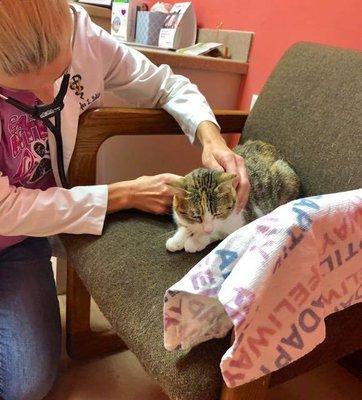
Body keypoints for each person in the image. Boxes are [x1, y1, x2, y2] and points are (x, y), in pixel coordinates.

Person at [0, 1, 249, 399]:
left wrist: (211, 137)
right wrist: (123, 194)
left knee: (22, 383)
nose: (47, 95)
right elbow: (4, 210)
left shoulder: (86, 37)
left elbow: (168, 85)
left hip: (18, 247)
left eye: (60, 73)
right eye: (20, 85)